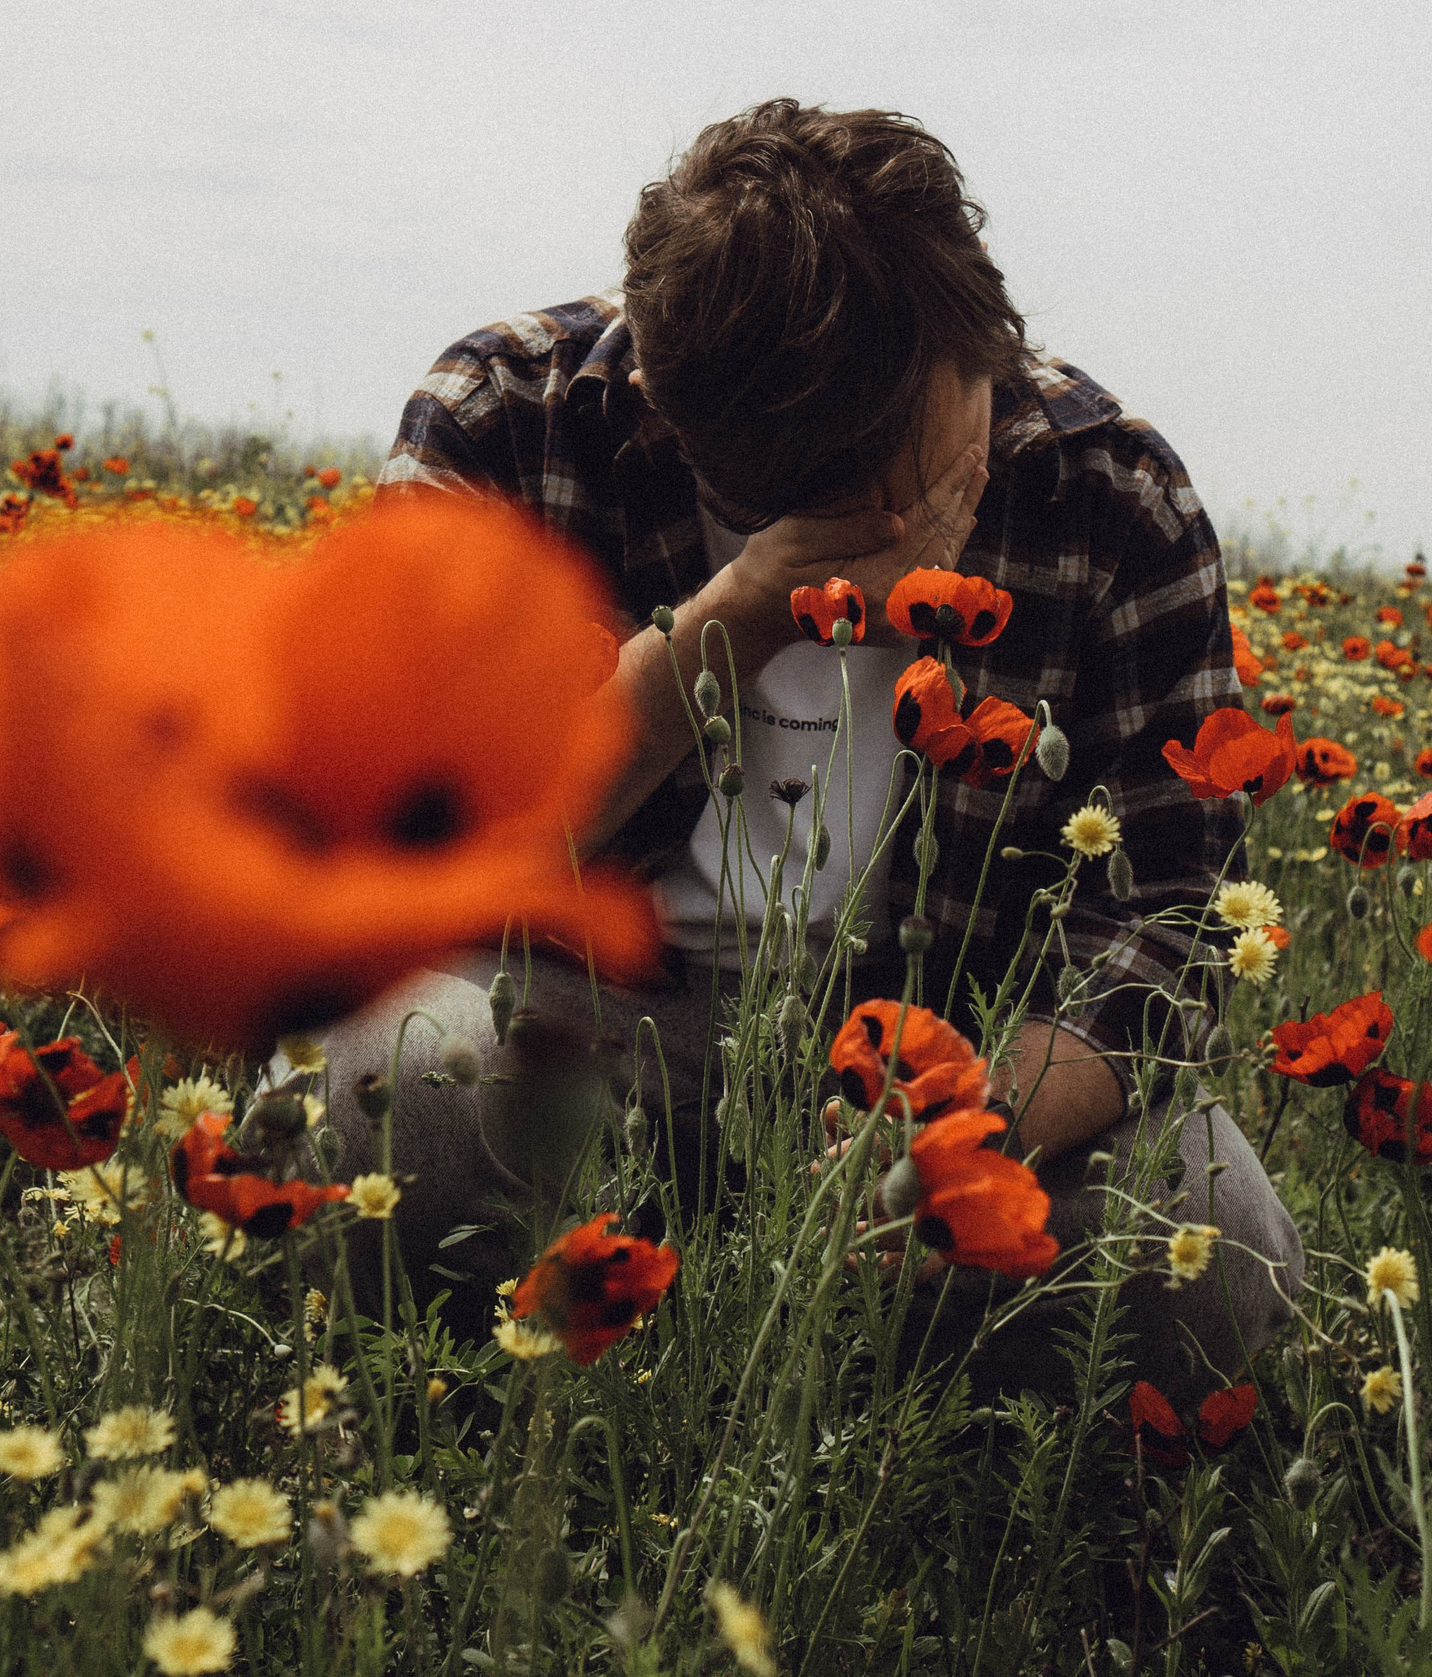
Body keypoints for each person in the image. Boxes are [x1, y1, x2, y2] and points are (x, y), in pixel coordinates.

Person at [311, 98, 1300, 1405]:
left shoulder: (1097, 487)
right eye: (841, 497)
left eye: (929, 441)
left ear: (978, 334)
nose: (901, 517)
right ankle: (543, 1413)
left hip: (942, 1055)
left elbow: (1171, 921)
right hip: (580, 1034)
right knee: (405, 1087)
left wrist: (971, 1128)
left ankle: (874, 1414)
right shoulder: (507, 422)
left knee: (1217, 1258)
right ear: (671, 408)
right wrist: (730, 624)